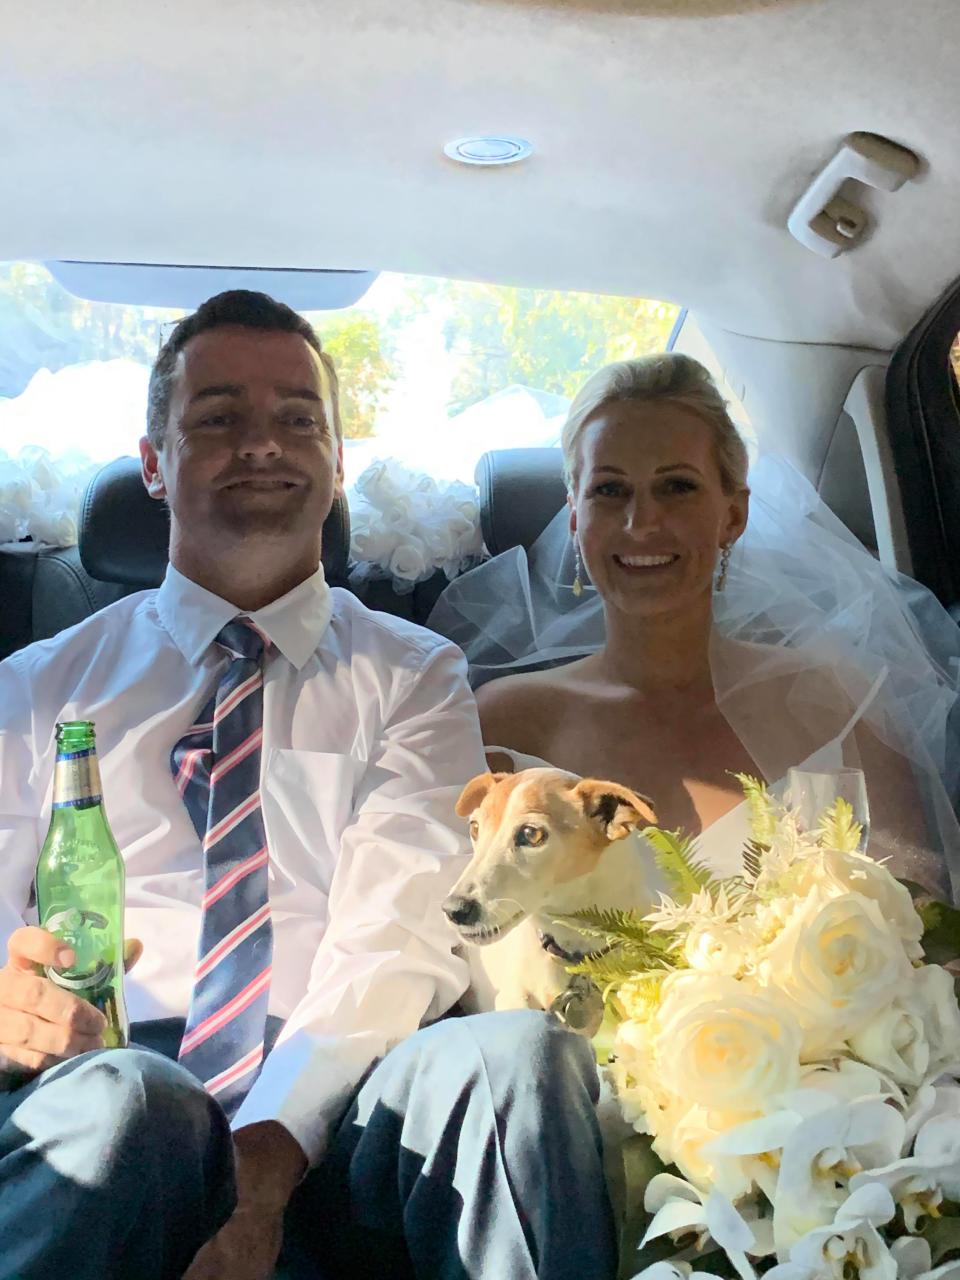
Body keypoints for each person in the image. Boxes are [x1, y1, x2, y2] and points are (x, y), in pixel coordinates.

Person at [0, 291, 616, 1280]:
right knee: (134, 1101)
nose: (263, 445)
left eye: (298, 419)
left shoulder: (414, 673)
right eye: (218, 418)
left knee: (517, 1060)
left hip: (343, 1120)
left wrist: (265, 1156)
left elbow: (405, 924)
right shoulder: (35, 688)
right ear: (153, 461)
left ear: (337, 466)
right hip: (97, 1100)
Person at [428, 353, 960, 898]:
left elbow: (921, 936)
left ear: (733, 515)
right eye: (610, 490)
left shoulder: (840, 707)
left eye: (677, 486)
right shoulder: (502, 726)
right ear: (574, 517)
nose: (641, 523)